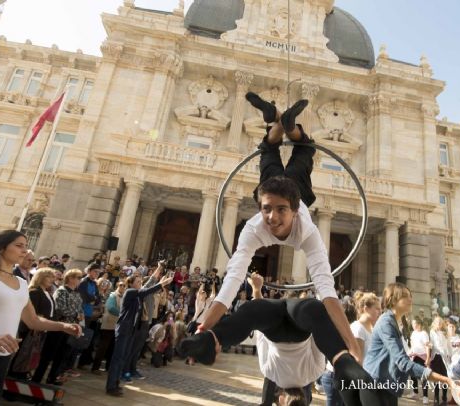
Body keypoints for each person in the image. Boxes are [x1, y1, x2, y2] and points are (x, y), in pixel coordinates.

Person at [198, 92, 361, 364]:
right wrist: (206, 326)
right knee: (303, 149)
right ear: (261, 206)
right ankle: (284, 124)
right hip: (280, 189)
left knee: (270, 150)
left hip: (288, 190)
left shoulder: (307, 232)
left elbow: (326, 290)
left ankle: (276, 120)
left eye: (281, 212)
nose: (272, 219)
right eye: (267, 211)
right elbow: (232, 281)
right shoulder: (254, 227)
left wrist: (351, 343)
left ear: (295, 212)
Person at [181, 273, 380, 406]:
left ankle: (342, 360)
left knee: (314, 310)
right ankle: (215, 336)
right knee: (250, 312)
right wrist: (257, 294)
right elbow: (257, 329)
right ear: (282, 398)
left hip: (300, 327)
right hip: (275, 331)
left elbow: (318, 338)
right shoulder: (270, 372)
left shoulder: (312, 373)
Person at [0, 230, 80, 406]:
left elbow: (33, 321)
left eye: (26, 246)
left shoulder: (22, 283)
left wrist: (62, 325)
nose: (25, 250)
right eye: (19, 245)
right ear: (1, 249)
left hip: (2, 359)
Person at [363, 283, 460, 406]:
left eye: (410, 295)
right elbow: (403, 363)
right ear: (392, 300)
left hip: (387, 386)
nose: (410, 299)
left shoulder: (394, 322)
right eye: (405, 296)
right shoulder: (386, 323)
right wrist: (447, 380)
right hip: (375, 386)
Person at [105, 262, 173, 397]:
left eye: (141, 281)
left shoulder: (137, 295)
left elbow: (147, 287)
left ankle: (116, 383)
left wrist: (159, 270)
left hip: (131, 330)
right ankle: (111, 386)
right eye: (138, 281)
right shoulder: (130, 292)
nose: (140, 283)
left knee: (123, 357)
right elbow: (146, 290)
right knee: (117, 358)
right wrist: (161, 284)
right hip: (124, 330)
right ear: (131, 284)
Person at [429, 316, 450, 406]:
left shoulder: (444, 333)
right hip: (436, 357)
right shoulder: (432, 332)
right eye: (437, 322)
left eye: (440, 322)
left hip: (444, 357)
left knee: (445, 378)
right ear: (434, 323)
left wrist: (448, 354)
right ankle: (436, 398)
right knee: (436, 378)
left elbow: (447, 345)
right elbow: (434, 345)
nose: (439, 324)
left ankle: (444, 397)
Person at [409, 317, 431, 404]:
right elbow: (412, 343)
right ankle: (415, 392)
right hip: (413, 356)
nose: (413, 325)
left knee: (423, 377)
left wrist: (428, 358)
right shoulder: (413, 333)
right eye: (412, 324)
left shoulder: (424, 333)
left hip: (422, 357)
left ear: (419, 324)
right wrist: (410, 351)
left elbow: (427, 346)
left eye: (414, 324)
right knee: (412, 375)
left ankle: (425, 396)